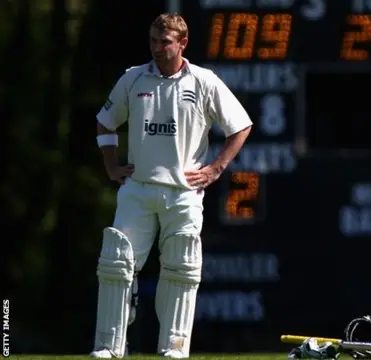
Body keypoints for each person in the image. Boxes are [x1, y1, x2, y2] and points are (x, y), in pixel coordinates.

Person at [91, 13, 252, 359]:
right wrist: (112, 166)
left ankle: (174, 349)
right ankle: (108, 347)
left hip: (184, 192)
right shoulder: (133, 79)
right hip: (138, 187)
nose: (158, 48)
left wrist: (215, 168)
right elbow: (105, 123)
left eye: (165, 42)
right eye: (153, 41)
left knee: (181, 267)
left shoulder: (204, 81)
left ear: (183, 43)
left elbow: (240, 126)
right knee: (116, 263)